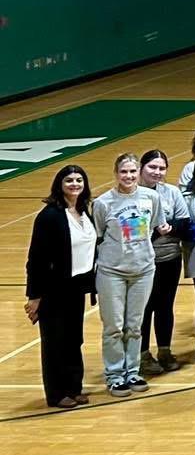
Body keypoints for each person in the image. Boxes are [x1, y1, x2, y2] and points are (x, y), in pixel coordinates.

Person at [26, 166, 98, 408]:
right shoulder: (50, 216)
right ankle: (56, 394)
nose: (75, 184)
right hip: (53, 289)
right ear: (60, 184)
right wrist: (34, 297)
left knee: (73, 339)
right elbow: (36, 259)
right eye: (69, 180)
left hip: (76, 288)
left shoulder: (82, 211)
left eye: (79, 180)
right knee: (54, 342)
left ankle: (74, 387)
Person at [93, 154, 164, 397]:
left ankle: (132, 371)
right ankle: (114, 375)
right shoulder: (103, 203)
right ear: (116, 173)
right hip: (111, 271)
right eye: (124, 172)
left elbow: (154, 226)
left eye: (133, 171)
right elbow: (99, 234)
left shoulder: (151, 198)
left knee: (134, 325)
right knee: (114, 326)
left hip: (143, 269)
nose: (129, 176)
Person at [135, 150, 191, 375]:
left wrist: (168, 228)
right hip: (142, 261)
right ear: (142, 168)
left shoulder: (172, 192)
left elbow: (184, 221)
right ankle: (142, 355)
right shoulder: (134, 194)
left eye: (161, 168)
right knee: (144, 308)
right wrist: (157, 232)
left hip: (169, 258)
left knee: (165, 306)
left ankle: (165, 351)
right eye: (152, 167)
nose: (157, 172)